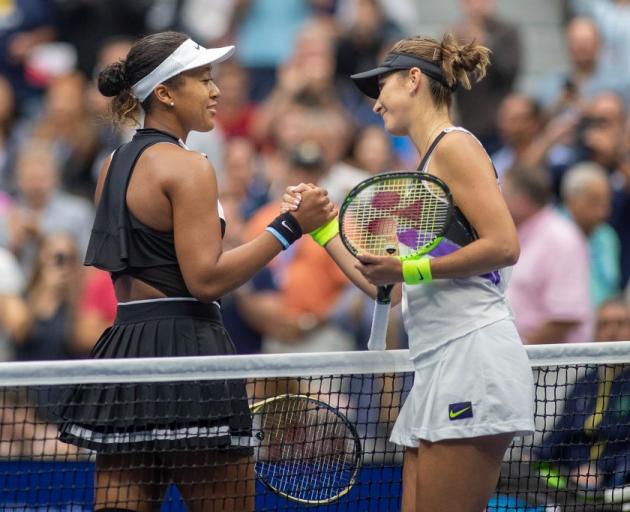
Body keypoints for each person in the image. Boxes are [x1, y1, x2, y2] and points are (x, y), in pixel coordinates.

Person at [54, 31, 335, 512]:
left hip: (125, 354)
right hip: (190, 352)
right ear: (164, 93)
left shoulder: (111, 165)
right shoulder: (190, 168)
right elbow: (206, 280)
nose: (216, 90)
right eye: (203, 79)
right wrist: (291, 227)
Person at [284, 33, 535, 512]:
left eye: (383, 87)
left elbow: (504, 246)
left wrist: (410, 266)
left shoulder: (454, 147)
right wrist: (322, 231)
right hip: (436, 362)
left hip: (471, 357)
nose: (376, 104)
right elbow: (391, 291)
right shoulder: (420, 173)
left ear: (414, 79)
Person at [502, 164, 592, 344]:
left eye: (501, 194)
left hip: (553, 366)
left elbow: (565, 317)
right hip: (519, 360)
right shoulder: (513, 235)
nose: (495, 202)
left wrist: (520, 353)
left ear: (520, 200)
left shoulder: (561, 238)